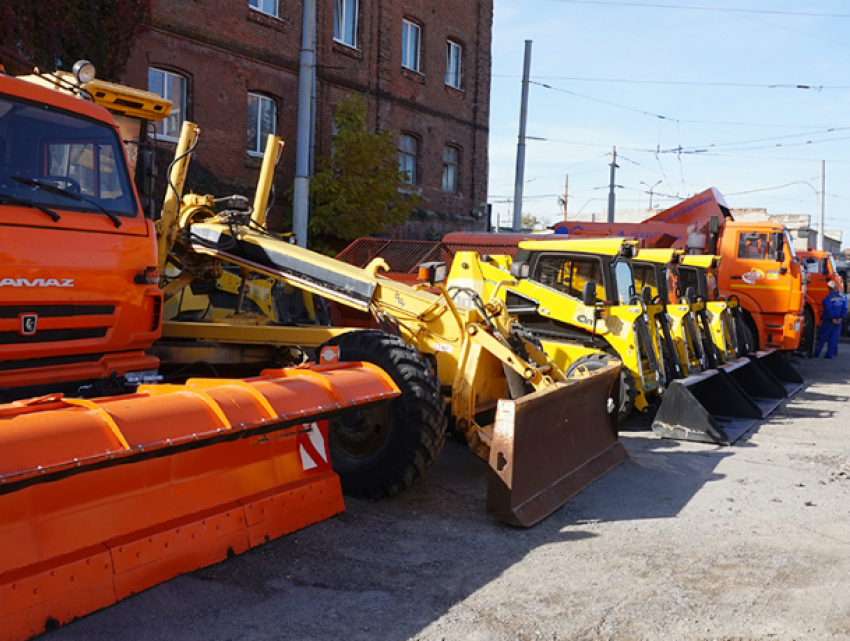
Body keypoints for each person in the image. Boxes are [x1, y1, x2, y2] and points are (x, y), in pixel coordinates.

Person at [814, 280, 848, 359]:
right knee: (833, 337)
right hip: (838, 321)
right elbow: (845, 308)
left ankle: (816, 353)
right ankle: (830, 354)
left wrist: (832, 318)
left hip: (829, 321)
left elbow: (828, 308)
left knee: (822, 337)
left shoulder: (829, 297)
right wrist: (840, 318)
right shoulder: (843, 297)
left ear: (828, 288)